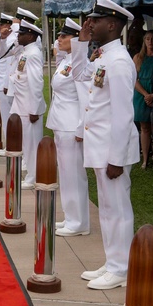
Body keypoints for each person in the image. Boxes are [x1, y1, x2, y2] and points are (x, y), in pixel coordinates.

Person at [69, 0, 139, 290]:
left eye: (95, 21)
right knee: (108, 210)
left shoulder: (120, 62)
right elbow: (80, 74)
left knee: (117, 210)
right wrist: (81, 43)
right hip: (101, 147)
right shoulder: (105, 56)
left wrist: (116, 158)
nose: (90, 24)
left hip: (112, 149)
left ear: (112, 24)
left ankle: (121, 268)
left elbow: (124, 113)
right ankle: (112, 262)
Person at [46, 18, 91, 237]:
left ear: (76, 40)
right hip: (61, 122)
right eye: (60, 35)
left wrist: (82, 128)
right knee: (65, 172)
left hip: (72, 124)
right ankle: (71, 216)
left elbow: (86, 98)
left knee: (74, 174)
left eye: (64, 36)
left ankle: (79, 221)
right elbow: (57, 53)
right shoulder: (67, 61)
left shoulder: (80, 64)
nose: (59, 39)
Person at [8, 20, 46, 190]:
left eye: (21, 34)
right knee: (26, 144)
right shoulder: (26, 52)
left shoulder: (33, 54)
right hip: (21, 104)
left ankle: (33, 176)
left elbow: (36, 83)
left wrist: (34, 109)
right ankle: (31, 173)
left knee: (32, 145)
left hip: (29, 107)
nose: (19, 36)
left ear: (30, 36)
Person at [132, 30, 153, 169]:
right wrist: (146, 94)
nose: (150, 42)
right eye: (147, 39)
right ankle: (145, 159)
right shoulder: (138, 57)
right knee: (144, 128)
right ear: (144, 41)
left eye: (152, 39)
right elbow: (133, 79)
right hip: (141, 94)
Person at [0, 13, 19, 155]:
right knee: (4, 114)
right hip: (2, 81)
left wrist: (3, 36)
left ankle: (12, 145)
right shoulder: (6, 37)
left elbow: (3, 51)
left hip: (7, 81)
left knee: (10, 115)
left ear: (8, 25)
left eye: (2, 25)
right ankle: (9, 144)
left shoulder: (14, 36)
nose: (0, 27)